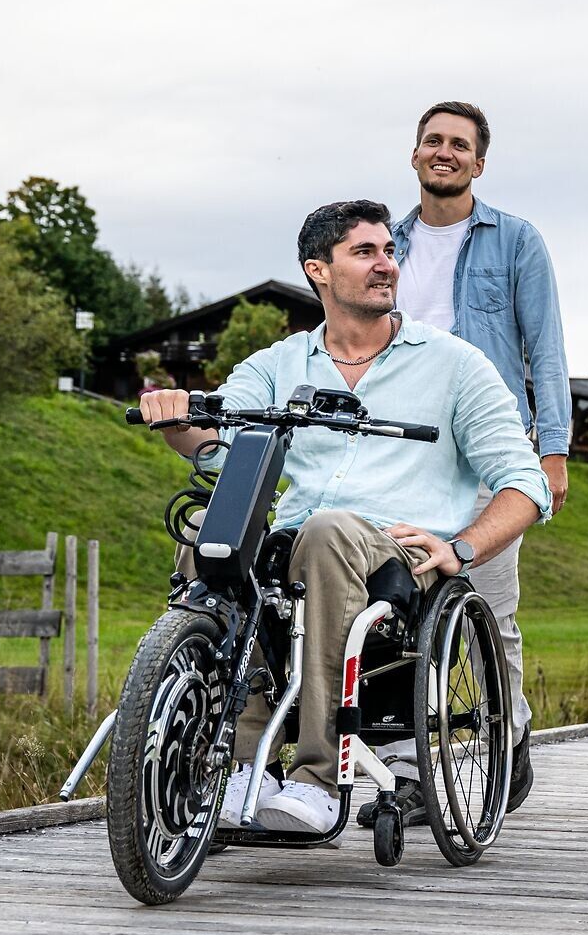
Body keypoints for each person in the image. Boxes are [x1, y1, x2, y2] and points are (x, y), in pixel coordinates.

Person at [139, 199, 551, 836]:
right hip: (294, 546)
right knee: (206, 532)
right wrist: (176, 418)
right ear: (319, 270)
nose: (386, 265)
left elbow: (525, 483)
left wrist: (462, 549)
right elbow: (218, 441)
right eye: (365, 252)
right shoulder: (278, 365)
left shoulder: (454, 365)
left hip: (394, 555)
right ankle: (234, 767)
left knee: (328, 530)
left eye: (389, 251)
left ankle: (318, 779)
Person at [389, 101, 570, 816]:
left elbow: (545, 350)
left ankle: (506, 739)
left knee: (490, 610)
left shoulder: (516, 241)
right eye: (433, 140)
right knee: (400, 610)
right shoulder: (385, 244)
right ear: (414, 154)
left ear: (479, 162)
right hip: (403, 450)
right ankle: (408, 771)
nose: (445, 152)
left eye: (459, 144)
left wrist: (552, 452)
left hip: (491, 449)